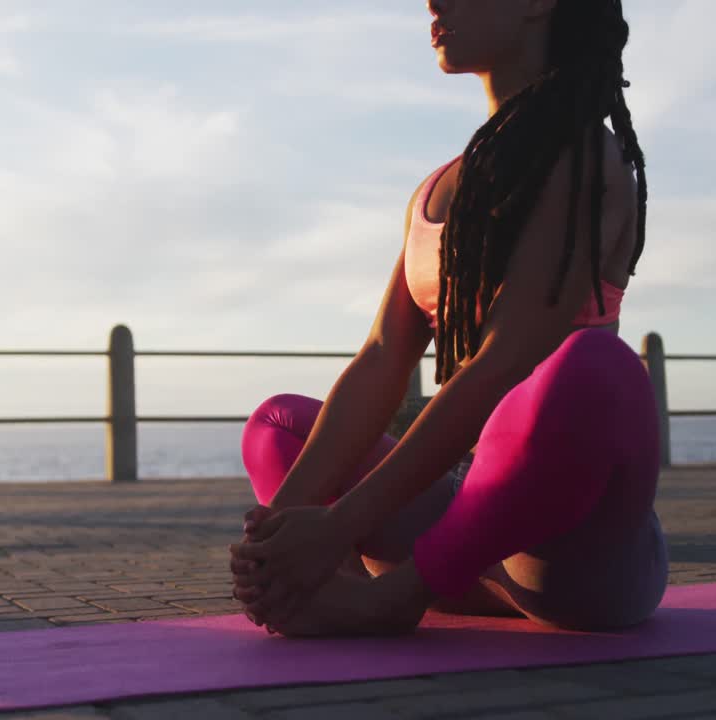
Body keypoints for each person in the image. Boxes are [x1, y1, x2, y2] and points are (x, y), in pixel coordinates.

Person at [230, 0, 663, 637]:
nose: (433, 2)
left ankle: (393, 598)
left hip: (561, 552)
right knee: (277, 426)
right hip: (451, 526)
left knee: (596, 369)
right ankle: (332, 582)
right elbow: (382, 356)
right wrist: (285, 530)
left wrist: (344, 522)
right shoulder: (438, 188)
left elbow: (504, 362)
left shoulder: (587, 159)